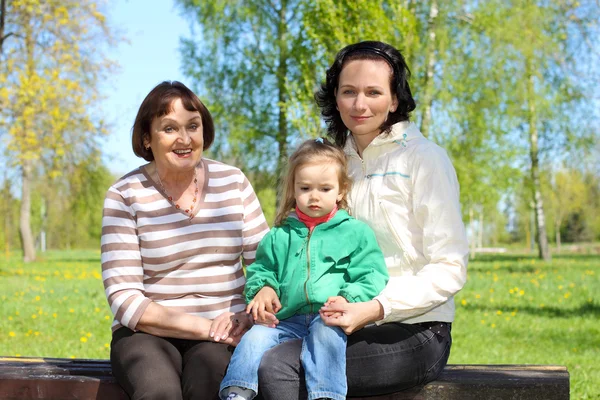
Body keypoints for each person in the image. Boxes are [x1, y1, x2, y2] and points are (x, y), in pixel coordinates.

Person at [257, 41, 469, 398]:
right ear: (335, 98)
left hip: (415, 329)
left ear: (394, 99)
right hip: (332, 321)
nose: (359, 104)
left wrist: (375, 308)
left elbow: (450, 267)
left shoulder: (424, 160)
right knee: (254, 354)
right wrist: (267, 286)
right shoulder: (333, 165)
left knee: (281, 366)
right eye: (349, 92)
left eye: (373, 92)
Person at [100, 81, 271, 400]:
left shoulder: (232, 182)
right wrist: (206, 328)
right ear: (147, 138)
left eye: (193, 126)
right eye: (169, 128)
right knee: (158, 392)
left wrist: (249, 314)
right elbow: (124, 298)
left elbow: (266, 266)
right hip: (146, 334)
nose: (184, 139)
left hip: (225, 331)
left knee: (210, 387)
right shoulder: (125, 195)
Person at [217, 138, 389, 400]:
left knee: (325, 336)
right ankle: (237, 391)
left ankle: (326, 395)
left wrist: (348, 298)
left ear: (341, 191)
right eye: (305, 188)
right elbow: (261, 269)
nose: (314, 196)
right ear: (294, 189)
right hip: (285, 318)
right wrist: (263, 289)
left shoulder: (356, 232)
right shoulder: (278, 235)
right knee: (255, 338)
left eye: (325, 188)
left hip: (329, 315)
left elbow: (371, 273)